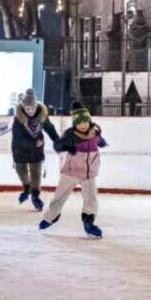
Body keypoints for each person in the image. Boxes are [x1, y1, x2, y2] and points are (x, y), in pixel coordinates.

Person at [39, 101, 107, 238]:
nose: (82, 125)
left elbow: (101, 141)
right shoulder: (70, 135)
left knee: (91, 198)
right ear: (75, 124)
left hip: (89, 173)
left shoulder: (95, 133)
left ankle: (89, 223)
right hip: (71, 172)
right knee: (59, 196)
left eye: (85, 122)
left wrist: (103, 143)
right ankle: (51, 217)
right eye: (79, 123)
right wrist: (63, 145)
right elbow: (58, 146)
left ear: (89, 121)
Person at [11, 88, 59, 211]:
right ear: (23, 108)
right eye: (27, 109)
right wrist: (34, 144)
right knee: (21, 171)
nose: (30, 111)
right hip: (20, 150)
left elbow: (50, 129)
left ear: (36, 106)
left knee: (36, 172)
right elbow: (18, 139)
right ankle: (27, 188)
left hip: (36, 150)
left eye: (32, 108)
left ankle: (35, 195)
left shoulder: (42, 116)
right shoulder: (18, 119)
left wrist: (58, 142)